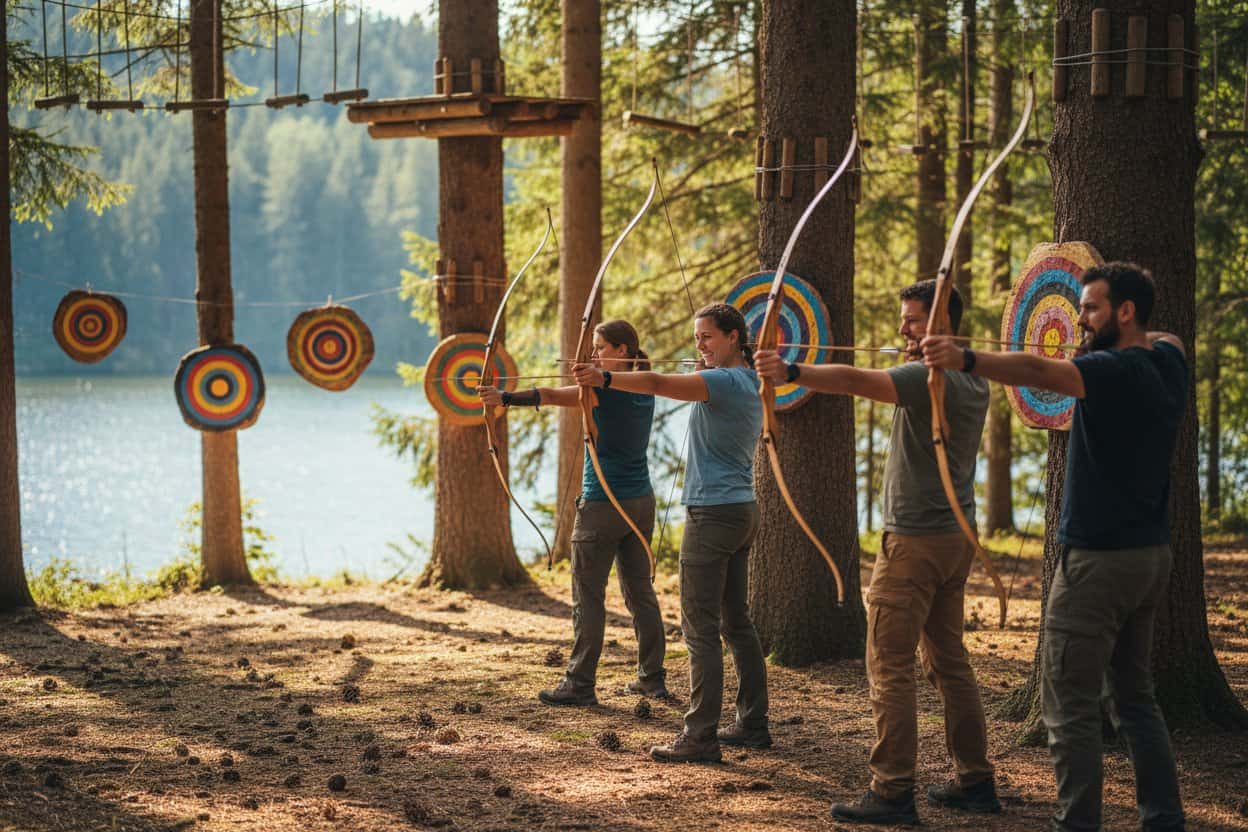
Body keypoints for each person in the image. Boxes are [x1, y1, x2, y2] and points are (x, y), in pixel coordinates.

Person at [922, 262, 1186, 832]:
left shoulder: (1108, 370)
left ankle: (1077, 823)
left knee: (1068, 703)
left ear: (1125, 312)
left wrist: (964, 358)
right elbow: (1169, 336)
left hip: (1096, 564)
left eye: (1090, 308)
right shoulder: (1168, 360)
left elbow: (1038, 368)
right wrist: (1119, 334)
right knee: (1135, 697)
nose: (1080, 319)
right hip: (1150, 557)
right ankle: (1164, 819)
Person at [756, 279, 999, 825]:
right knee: (949, 662)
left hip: (913, 544)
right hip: (954, 540)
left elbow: (856, 379)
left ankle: (892, 790)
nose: (903, 329)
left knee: (888, 664)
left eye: (913, 319)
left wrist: (791, 371)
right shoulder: (974, 377)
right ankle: (975, 781)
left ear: (942, 323)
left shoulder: (926, 377)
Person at [572, 303, 769, 763]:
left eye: (707, 337)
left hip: (712, 515)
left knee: (701, 629)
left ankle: (700, 735)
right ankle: (752, 723)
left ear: (734, 337)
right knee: (736, 623)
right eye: (696, 338)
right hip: (742, 509)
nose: (699, 345)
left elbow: (659, 384)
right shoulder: (750, 379)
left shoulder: (721, 381)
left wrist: (604, 377)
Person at [480, 319, 667, 706]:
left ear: (622, 351)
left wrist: (505, 398)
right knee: (640, 593)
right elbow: (558, 393)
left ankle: (579, 684)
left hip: (601, 506)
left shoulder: (600, 391)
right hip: (640, 503)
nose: (593, 354)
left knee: (588, 597)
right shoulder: (645, 387)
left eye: (600, 347)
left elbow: (550, 394)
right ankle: (652, 678)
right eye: (592, 347)